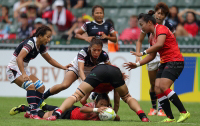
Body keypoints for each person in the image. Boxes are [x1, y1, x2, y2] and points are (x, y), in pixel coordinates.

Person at [124, 12, 190, 123]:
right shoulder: (151, 37)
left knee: (163, 86)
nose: (141, 28)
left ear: (149, 22)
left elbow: (159, 45)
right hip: (165, 62)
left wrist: (142, 52)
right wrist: (137, 64)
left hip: (175, 61)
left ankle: (184, 112)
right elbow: (152, 55)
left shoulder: (161, 29)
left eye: (142, 24)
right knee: (157, 89)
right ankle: (170, 117)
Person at [7, 25, 72, 119]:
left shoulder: (40, 46)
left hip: (22, 69)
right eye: (48, 36)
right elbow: (19, 58)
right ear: (40, 36)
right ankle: (33, 114)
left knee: (41, 87)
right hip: (13, 69)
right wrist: (24, 74)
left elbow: (50, 60)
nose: (49, 39)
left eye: (50, 37)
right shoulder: (30, 43)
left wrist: (63, 67)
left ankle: (30, 111)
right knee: (30, 86)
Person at [46, 64, 150, 122]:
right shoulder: (111, 87)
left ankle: (56, 114)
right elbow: (117, 103)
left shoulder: (93, 87)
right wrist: (112, 114)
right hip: (116, 71)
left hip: (98, 70)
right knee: (127, 97)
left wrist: (92, 108)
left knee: (75, 96)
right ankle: (143, 117)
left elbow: (82, 100)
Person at [136, 2, 175, 117]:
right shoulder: (149, 23)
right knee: (153, 84)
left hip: (165, 56)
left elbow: (173, 41)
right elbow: (139, 41)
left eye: (162, 14)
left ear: (165, 16)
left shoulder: (169, 25)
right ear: (155, 13)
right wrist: (138, 54)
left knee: (162, 84)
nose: (159, 16)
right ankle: (153, 108)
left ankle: (161, 109)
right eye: (158, 13)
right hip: (152, 56)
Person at [42, 38, 111, 102]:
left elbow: (111, 68)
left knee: (106, 76)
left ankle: (95, 96)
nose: (96, 52)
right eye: (94, 50)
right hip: (76, 67)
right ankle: (43, 96)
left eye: (99, 50)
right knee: (65, 85)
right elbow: (80, 70)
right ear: (90, 48)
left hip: (91, 70)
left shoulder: (104, 55)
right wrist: (86, 83)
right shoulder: (83, 52)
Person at [10, 93, 120, 121]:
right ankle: (24, 108)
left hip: (71, 113)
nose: (103, 107)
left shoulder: (104, 111)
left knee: (53, 109)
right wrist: (97, 109)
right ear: (96, 103)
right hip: (69, 113)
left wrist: (113, 114)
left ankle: (44, 106)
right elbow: (82, 109)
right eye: (101, 104)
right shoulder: (92, 106)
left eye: (105, 105)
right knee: (44, 116)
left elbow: (117, 118)